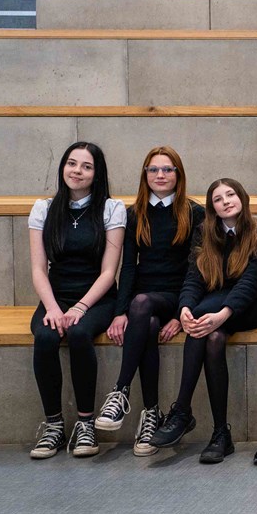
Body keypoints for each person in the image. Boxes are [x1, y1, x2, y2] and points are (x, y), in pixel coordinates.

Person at [149, 179, 257, 464]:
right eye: (218, 199)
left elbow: (251, 283)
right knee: (213, 338)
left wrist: (222, 315)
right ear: (212, 207)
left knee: (204, 323)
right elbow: (194, 278)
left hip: (247, 306)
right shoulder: (204, 233)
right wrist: (184, 309)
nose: (226, 201)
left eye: (231, 194)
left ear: (242, 197)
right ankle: (221, 434)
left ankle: (182, 409)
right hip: (213, 302)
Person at [97, 146, 204, 457]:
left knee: (144, 306)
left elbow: (198, 270)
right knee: (146, 318)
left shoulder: (194, 213)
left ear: (178, 175)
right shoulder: (134, 214)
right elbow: (128, 267)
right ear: (145, 175)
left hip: (177, 297)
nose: (160, 175)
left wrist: (182, 315)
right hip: (144, 302)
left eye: (167, 169)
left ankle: (120, 391)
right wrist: (119, 313)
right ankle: (151, 414)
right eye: (153, 169)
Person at [28, 142, 125, 459]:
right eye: (72, 163)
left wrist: (80, 307)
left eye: (86, 166)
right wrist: (54, 308)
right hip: (55, 295)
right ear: (63, 168)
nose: (77, 171)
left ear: (96, 174)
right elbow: (38, 269)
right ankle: (54, 425)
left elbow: (109, 272)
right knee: (44, 336)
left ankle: (85, 424)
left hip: (96, 297)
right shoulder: (43, 208)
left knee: (80, 333)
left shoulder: (112, 209)